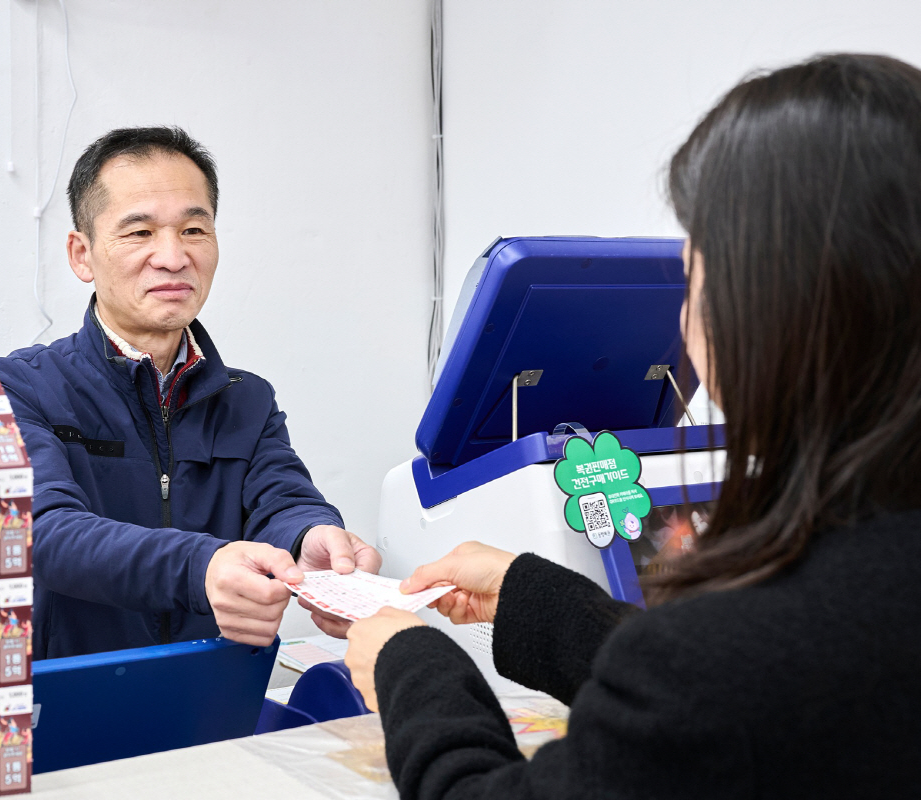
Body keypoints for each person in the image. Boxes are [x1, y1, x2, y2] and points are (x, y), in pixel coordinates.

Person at [345, 53, 921, 798]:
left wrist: (414, 668)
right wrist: (539, 603)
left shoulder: (746, 650)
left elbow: (718, 687)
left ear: (768, 306)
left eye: (696, 276)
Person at [0, 126, 379, 659]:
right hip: (77, 688)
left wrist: (309, 537)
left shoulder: (247, 399)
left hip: (216, 683)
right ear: (82, 254)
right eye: (139, 232)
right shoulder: (19, 387)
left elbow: (280, 498)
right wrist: (202, 567)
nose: (173, 257)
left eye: (194, 229)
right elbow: (44, 532)